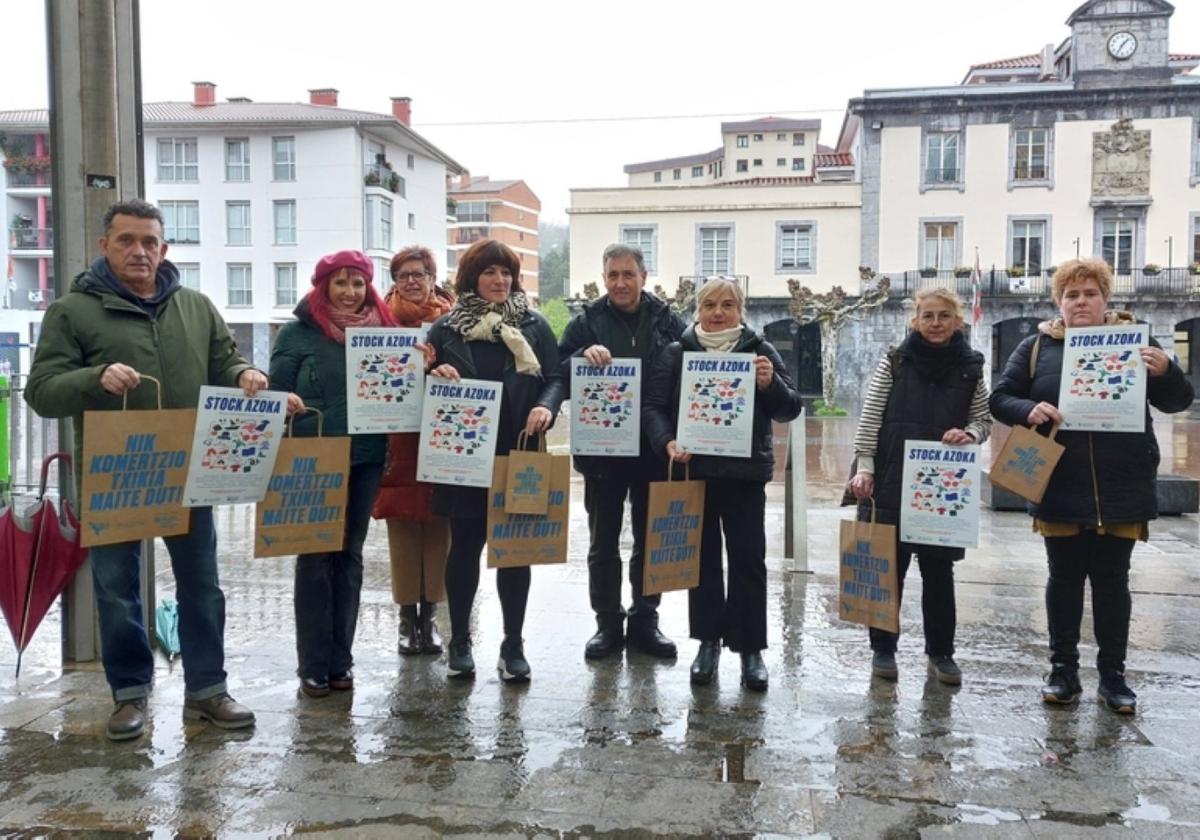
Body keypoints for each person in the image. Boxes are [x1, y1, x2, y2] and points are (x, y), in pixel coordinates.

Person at [26, 198, 264, 740]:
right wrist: (94, 377)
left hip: (190, 470)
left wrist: (246, 372)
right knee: (117, 590)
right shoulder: (72, 312)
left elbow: (225, 361)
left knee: (202, 585)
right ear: (104, 246)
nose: (139, 251)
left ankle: (208, 689)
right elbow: (41, 392)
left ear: (164, 248)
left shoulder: (196, 306)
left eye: (149, 242)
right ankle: (130, 694)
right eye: (127, 240)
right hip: (117, 475)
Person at [990, 258, 1193, 714]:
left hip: (1122, 484)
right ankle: (1063, 670)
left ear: (1106, 299)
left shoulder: (1139, 341)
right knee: (1063, 580)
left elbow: (1177, 401)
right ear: (1058, 302)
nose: (1080, 302)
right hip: (1060, 480)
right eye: (1071, 295)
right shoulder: (1036, 347)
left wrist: (1166, 371)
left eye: (1089, 294)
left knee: (1112, 583)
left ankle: (1113, 676)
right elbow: (1001, 398)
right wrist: (1030, 410)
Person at [643, 277, 802, 691]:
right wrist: (668, 441)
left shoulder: (760, 351)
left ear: (740, 310)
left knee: (749, 560)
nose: (718, 312)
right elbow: (654, 408)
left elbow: (790, 409)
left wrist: (770, 385)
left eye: (727, 304)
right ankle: (708, 643)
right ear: (697, 309)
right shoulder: (677, 354)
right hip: (696, 472)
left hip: (745, 474)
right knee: (703, 562)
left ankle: (751, 650)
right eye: (710, 304)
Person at [425, 239, 565, 682]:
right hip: (464, 456)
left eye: (506, 273)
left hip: (518, 450)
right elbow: (421, 385)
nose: (500, 280)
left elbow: (556, 377)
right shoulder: (445, 329)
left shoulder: (534, 325)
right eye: (490, 272)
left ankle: (513, 644)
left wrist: (547, 405)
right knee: (464, 547)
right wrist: (433, 373)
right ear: (472, 278)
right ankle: (461, 642)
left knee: (514, 552)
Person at [846, 288, 992, 686]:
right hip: (892, 477)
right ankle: (883, 650)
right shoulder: (895, 360)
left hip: (942, 485)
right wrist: (865, 468)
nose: (935, 323)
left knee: (939, 574)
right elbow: (870, 417)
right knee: (886, 570)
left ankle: (942, 654)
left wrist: (970, 434)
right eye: (927, 315)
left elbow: (984, 420)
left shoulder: (970, 368)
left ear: (957, 321)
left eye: (944, 316)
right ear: (915, 320)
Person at [270, 250, 394, 698]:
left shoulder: (386, 332)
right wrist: (282, 401)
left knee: (350, 556)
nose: (350, 292)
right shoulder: (297, 334)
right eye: (340, 282)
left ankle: (342, 659)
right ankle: (312, 664)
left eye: (358, 283)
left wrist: (429, 363)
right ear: (323, 286)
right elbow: (275, 391)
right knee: (315, 557)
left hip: (365, 456)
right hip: (313, 458)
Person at [558, 243, 686, 661]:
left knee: (651, 540)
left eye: (628, 274)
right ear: (604, 277)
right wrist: (580, 356)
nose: (620, 283)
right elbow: (557, 371)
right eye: (612, 275)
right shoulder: (586, 323)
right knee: (602, 542)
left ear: (644, 277)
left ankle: (646, 620)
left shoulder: (669, 322)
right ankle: (607, 624)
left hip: (654, 448)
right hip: (602, 452)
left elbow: (693, 373)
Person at [372, 246, 455, 655]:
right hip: (397, 438)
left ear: (432, 277)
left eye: (419, 273)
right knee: (402, 527)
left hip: (444, 434)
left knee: (440, 525)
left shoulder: (453, 321)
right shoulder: (379, 321)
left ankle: (431, 617)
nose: (411, 281)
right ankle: (407, 618)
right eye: (403, 274)